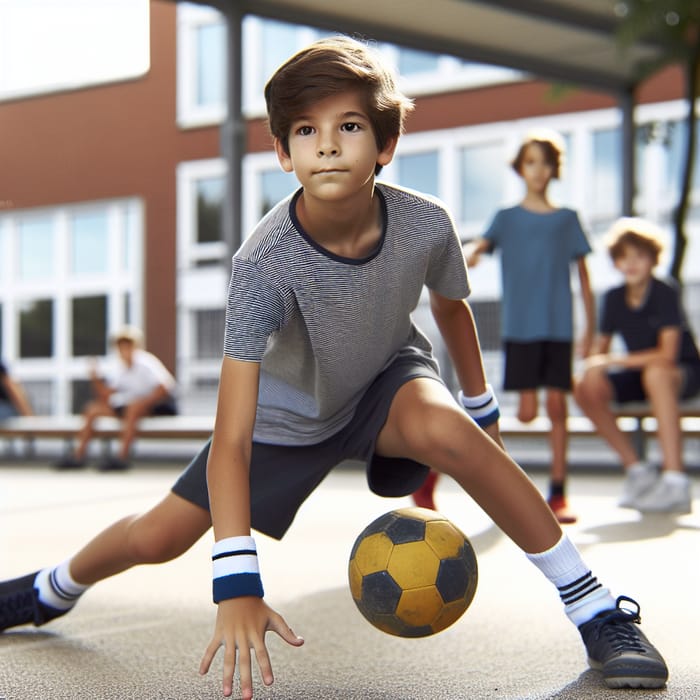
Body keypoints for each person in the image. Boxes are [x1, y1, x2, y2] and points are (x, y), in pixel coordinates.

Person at [0, 37, 667, 699]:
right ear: (283, 153)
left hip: (385, 380)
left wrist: (483, 412)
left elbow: (452, 308)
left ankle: (597, 610)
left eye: (348, 126)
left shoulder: (425, 224)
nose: (326, 144)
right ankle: (51, 588)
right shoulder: (262, 266)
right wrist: (237, 584)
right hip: (284, 418)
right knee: (159, 535)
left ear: (385, 144)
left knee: (451, 433)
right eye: (305, 130)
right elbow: (231, 439)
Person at [417, 131, 595, 524]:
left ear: (554, 169)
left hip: (559, 329)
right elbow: (479, 246)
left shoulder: (568, 220)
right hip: (520, 328)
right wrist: (465, 255)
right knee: (527, 413)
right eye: (531, 161)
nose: (538, 170)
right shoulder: (506, 218)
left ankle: (558, 495)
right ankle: (431, 473)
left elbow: (583, 278)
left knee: (556, 408)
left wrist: (590, 331)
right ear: (520, 168)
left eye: (545, 162)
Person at [574, 217, 699, 514]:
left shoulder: (664, 291)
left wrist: (612, 359)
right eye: (623, 257)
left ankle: (675, 479)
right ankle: (638, 471)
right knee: (584, 384)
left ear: (653, 260)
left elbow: (667, 355)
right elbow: (599, 354)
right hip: (640, 374)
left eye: (639, 256)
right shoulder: (613, 297)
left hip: (683, 373)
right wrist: (590, 358)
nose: (631, 263)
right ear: (616, 261)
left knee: (657, 373)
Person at [54, 326, 178, 472]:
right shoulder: (119, 368)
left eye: (127, 346)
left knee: (133, 408)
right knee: (93, 409)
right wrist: (95, 378)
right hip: (131, 407)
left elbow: (165, 388)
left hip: (159, 405)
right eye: (121, 347)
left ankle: (122, 457)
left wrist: (142, 403)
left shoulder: (147, 363)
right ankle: (78, 456)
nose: (124, 351)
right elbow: (107, 395)